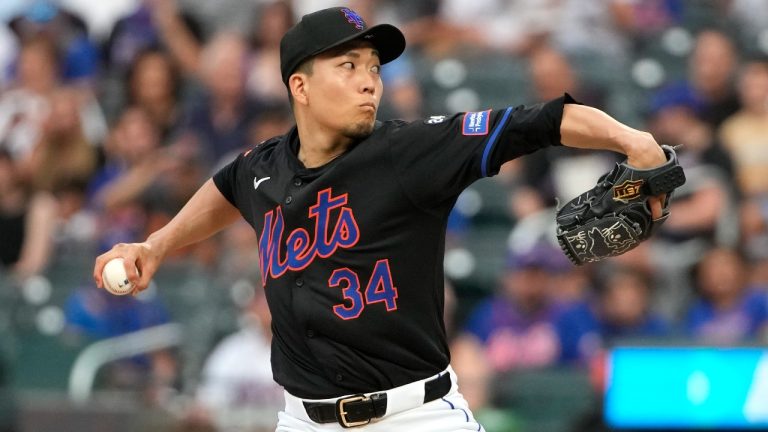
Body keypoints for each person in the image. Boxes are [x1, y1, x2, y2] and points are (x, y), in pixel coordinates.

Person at [93, 7, 668, 431]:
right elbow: (225, 188)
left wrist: (631, 139)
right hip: (303, 421)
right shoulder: (263, 167)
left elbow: (539, 121)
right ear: (300, 85)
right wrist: (157, 245)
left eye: (374, 66)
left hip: (415, 416)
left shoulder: (409, 151)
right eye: (348, 65)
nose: (371, 79)